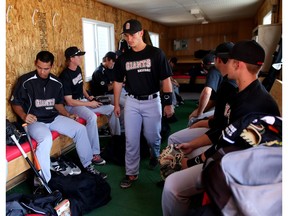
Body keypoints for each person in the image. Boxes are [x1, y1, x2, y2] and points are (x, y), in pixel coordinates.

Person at [161, 40, 280, 216]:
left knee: (172, 186)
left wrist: (190, 162)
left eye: (229, 60)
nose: (224, 63)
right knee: (192, 151)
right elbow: (224, 132)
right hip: (237, 158)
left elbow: (227, 149)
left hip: (244, 173)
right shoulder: (246, 92)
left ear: (237, 64)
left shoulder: (252, 103)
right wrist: (193, 145)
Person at [10, 51, 107, 191]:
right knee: (46, 138)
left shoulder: (56, 83)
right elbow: (15, 103)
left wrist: (67, 114)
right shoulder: (25, 81)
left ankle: (88, 165)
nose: (42, 71)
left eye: (46, 68)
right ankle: (44, 182)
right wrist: (24, 115)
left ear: (52, 66)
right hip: (35, 121)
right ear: (35, 64)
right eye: (39, 67)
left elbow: (57, 104)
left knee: (80, 129)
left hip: (53, 117)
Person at [113, 19, 174, 189]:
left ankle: (154, 154)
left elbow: (166, 80)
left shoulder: (156, 54)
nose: (129, 39)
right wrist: (117, 104)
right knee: (131, 139)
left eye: (132, 35)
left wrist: (169, 103)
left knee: (152, 136)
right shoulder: (123, 58)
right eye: (126, 35)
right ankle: (131, 173)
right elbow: (118, 82)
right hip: (132, 102)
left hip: (152, 101)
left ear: (141, 33)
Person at [59, 46, 121, 164]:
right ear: (71, 58)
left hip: (83, 101)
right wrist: (89, 103)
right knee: (92, 117)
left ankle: (116, 140)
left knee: (112, 109)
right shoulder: (65, 76)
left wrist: (88, 97)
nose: (81, 58)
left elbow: (81, 85)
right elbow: (69, 101)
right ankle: (94, 154)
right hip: (73, 106)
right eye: (78, 56)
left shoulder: (78, 69)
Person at [187, 52, 222, 126]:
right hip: (226, 108)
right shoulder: (222, 70)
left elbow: (206, 92)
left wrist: (199, 114)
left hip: (225, 112)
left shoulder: (213, 71)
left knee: (192, 119)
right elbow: (214, 99)